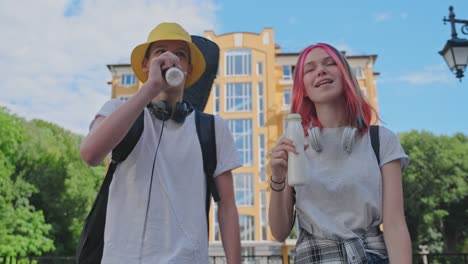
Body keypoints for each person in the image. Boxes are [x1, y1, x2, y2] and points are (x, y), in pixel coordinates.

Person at [80, 22, 241, 264]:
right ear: (146, 65)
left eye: (180, 55)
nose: (171, 59)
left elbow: (227, 206)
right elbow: (90, 154)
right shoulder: (118, 110)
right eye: (160, 53)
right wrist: (151, 87)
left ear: (189, 69)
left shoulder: (213, 128)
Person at [268, 43, 412, 264]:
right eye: (310, 69)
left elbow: (395, 224)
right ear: (302, 88)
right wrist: (278, 177)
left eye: (330, 64)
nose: (321, 71)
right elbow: (279, 232)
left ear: (345, 75)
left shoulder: (382, 141)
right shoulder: (293, 144)